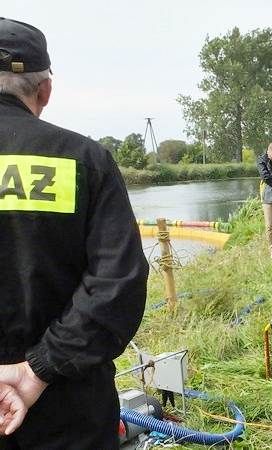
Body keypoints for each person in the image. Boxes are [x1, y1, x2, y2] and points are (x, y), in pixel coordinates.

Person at [0, 18, 148, 446]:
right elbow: (117, 283)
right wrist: (38, 369)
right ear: (44, 90)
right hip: (70, 410)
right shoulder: (84, 160)